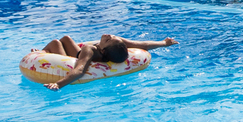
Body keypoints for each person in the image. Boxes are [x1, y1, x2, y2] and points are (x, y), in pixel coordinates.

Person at [38, 34, 178, 91]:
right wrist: (163, 43)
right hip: (79, 53)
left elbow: (80, 70)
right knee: (66, 39)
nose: (109, 36)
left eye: (108, 40)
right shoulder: (117, 45)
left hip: (75, 58)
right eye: (112, 37)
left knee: (57, 42)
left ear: (103, 50)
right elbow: (143, 45)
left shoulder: (90, 50)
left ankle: (40, 52)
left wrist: (58, 84)